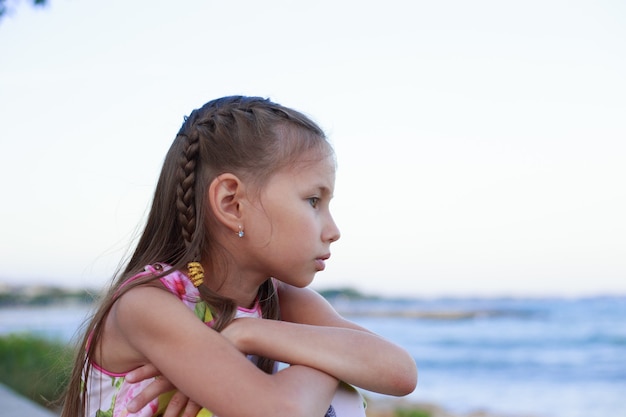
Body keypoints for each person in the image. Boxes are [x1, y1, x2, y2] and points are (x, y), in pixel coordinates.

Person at [60, 96, 417, 417]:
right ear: (232, 204)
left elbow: (400, 372)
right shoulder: (148, 306)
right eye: (313, 201)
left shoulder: (279, 301)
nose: (333, 230)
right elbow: (282, 411)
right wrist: (333, 361)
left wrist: (248, 332)